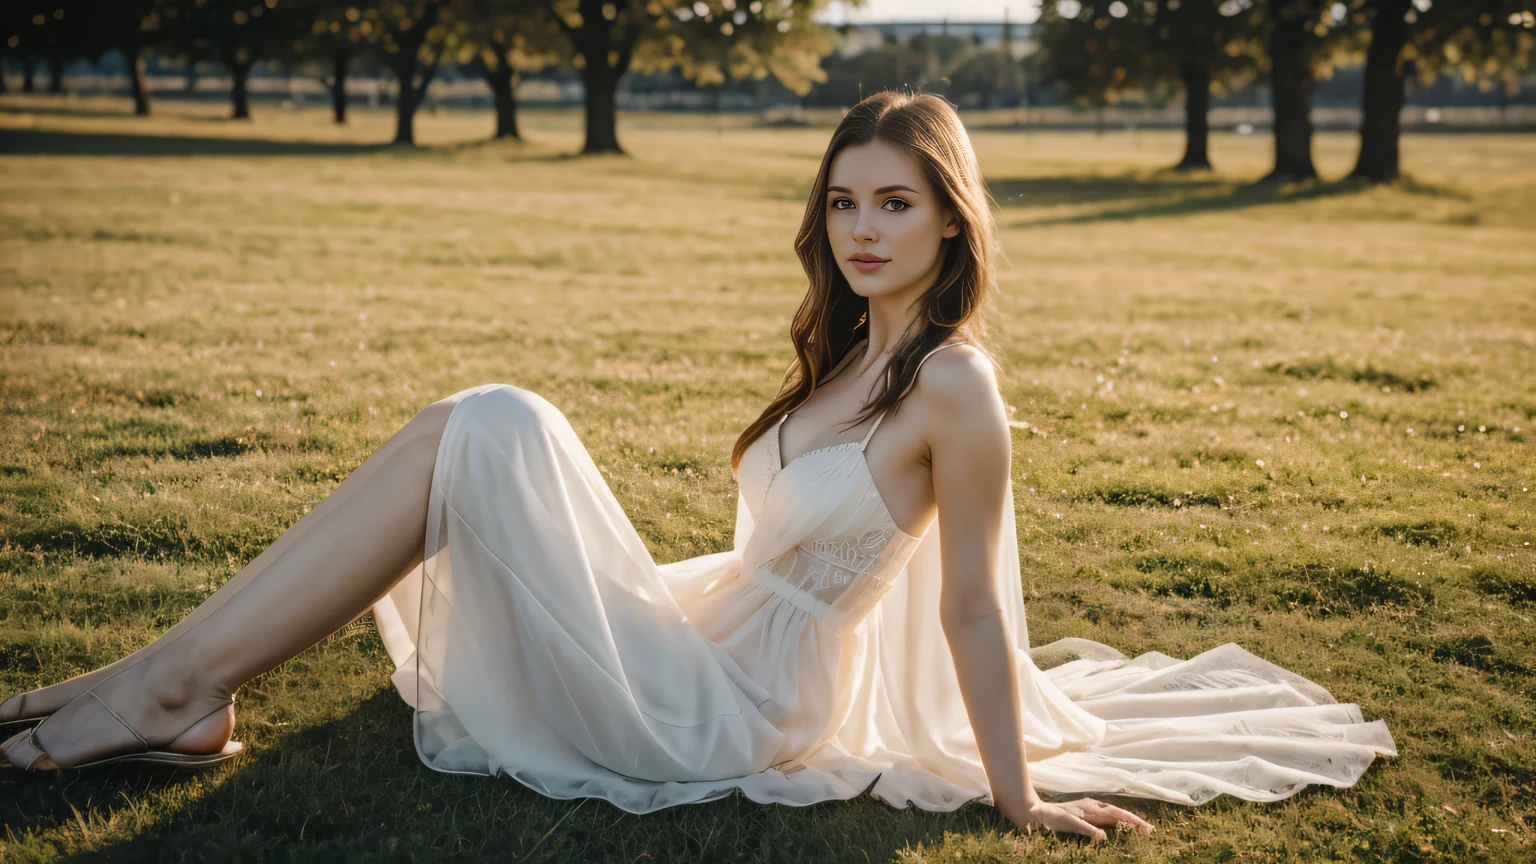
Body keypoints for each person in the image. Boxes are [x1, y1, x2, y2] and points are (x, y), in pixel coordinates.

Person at [0, 90, 1395, 844]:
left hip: (733, 711)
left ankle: (175, 687)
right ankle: (172, 681)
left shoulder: (957, 385)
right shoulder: (851, 348)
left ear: (951, 222)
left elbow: (969, 606)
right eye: (844, 201)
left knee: (494, 420)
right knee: (464, 429)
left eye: (895, 203)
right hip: (700, 633)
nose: (863, 227)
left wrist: (1017, 793)